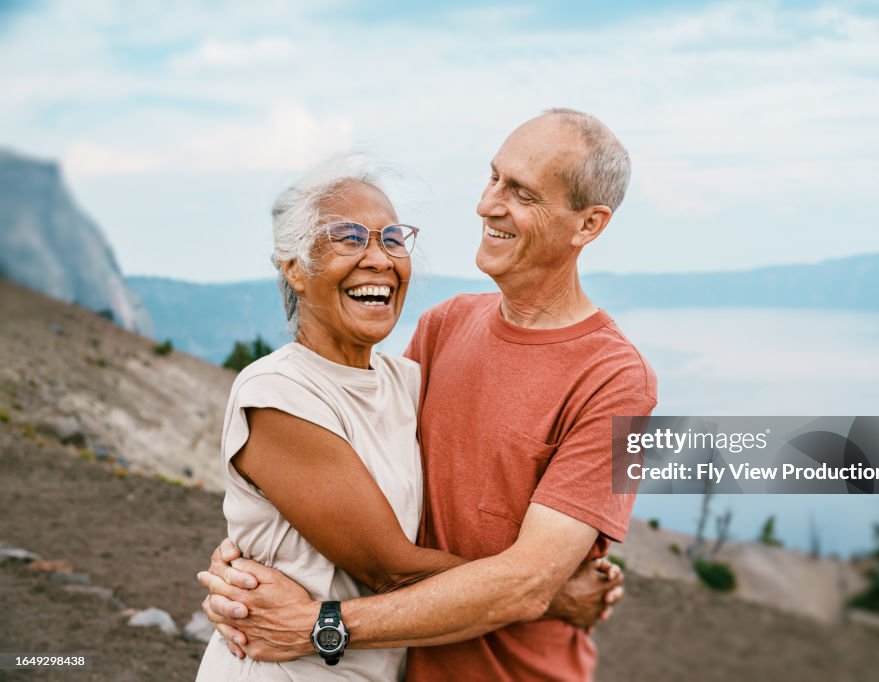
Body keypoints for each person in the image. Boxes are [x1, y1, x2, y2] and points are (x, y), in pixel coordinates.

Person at [201, 108, 657, 681]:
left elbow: (525, 582)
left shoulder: (620, 380)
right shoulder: (444, 328)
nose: (488, 204)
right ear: (292, 266)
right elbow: (377, 536)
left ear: (587, 225)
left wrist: (320, 620)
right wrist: (245, 557)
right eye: (494, 177)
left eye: (521, 192)